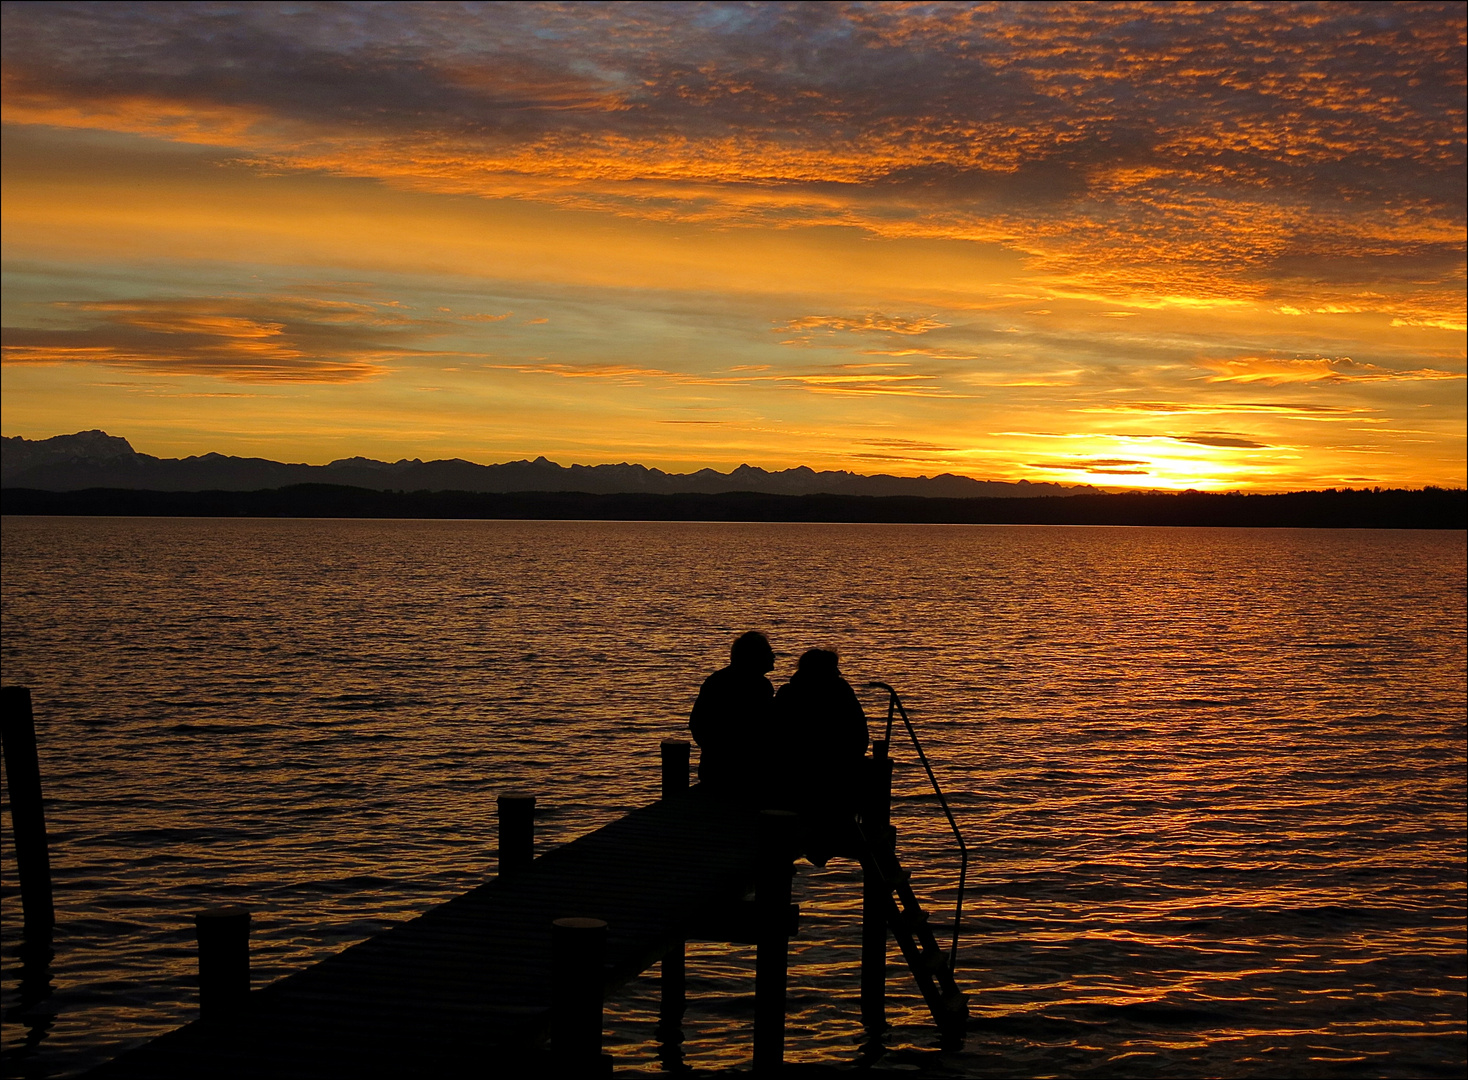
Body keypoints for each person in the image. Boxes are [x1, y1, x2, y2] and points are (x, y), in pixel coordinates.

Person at [774, 648, 869, 861]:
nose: (837, 673)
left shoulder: (788, 693)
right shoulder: (840, 692)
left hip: (797, 779)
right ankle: (821, 839)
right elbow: (859, 736)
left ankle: (815, 839)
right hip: (826, 779)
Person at [689, 631, 776, 800]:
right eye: (768, 652)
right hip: (741, 773)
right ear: (754, 657)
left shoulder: (717, 680)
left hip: (716, 769)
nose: (773, 657)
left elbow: (697, 724)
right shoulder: (758, 687)